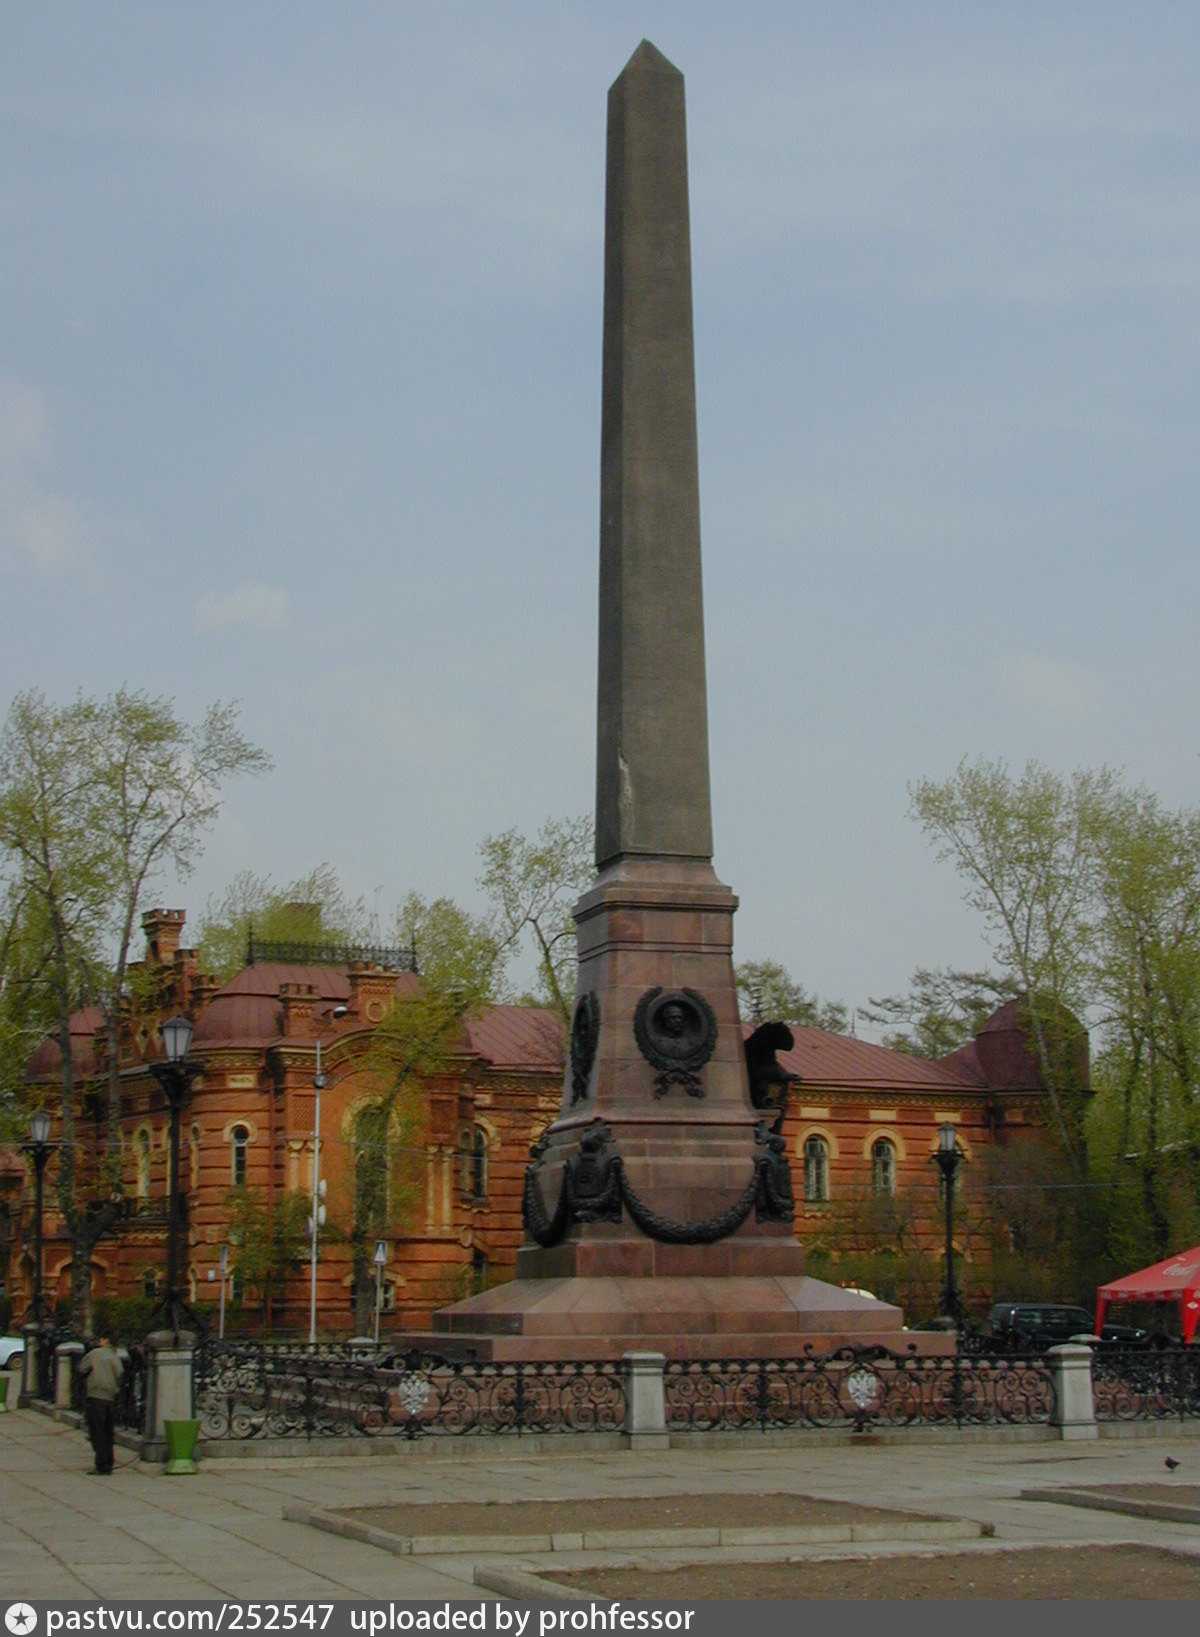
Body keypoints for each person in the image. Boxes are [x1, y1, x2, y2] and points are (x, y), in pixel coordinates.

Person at [78, 1333, 123, 1474]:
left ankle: (101, 1464)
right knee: (108, 1431)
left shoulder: (94, 1353)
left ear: (106, 1340)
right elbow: (120, 1372)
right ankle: (109, 1462)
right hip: (110, 1396)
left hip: (96, 1394)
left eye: (101, 1339)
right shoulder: (114, 1355)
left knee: (97, 1431)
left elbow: (82, 1368)